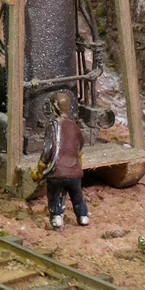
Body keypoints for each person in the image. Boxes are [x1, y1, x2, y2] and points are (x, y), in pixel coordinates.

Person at [31, 91, 90, 230]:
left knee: (53, 193)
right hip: (75, 173)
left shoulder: (52, 126)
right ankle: (83, 216)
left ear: (54, 107)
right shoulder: (75, 126)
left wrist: (40, 169)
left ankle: (56, 216)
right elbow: (79, 148)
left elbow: (47, 150)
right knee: (77, 194)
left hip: (57, 172)